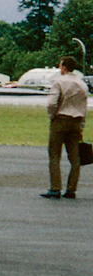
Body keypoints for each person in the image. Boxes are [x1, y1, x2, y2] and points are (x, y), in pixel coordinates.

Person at [42, 55, 89, 199]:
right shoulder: (82, 84)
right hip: (76, 120)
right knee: (75, 157)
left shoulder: (59, 82)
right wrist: (81, 124)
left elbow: (51, 103)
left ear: (63, 67)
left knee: (55, 154)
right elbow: (84, 107)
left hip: (61, 119)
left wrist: (52, 115)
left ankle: (55, 188)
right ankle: (71, 189)